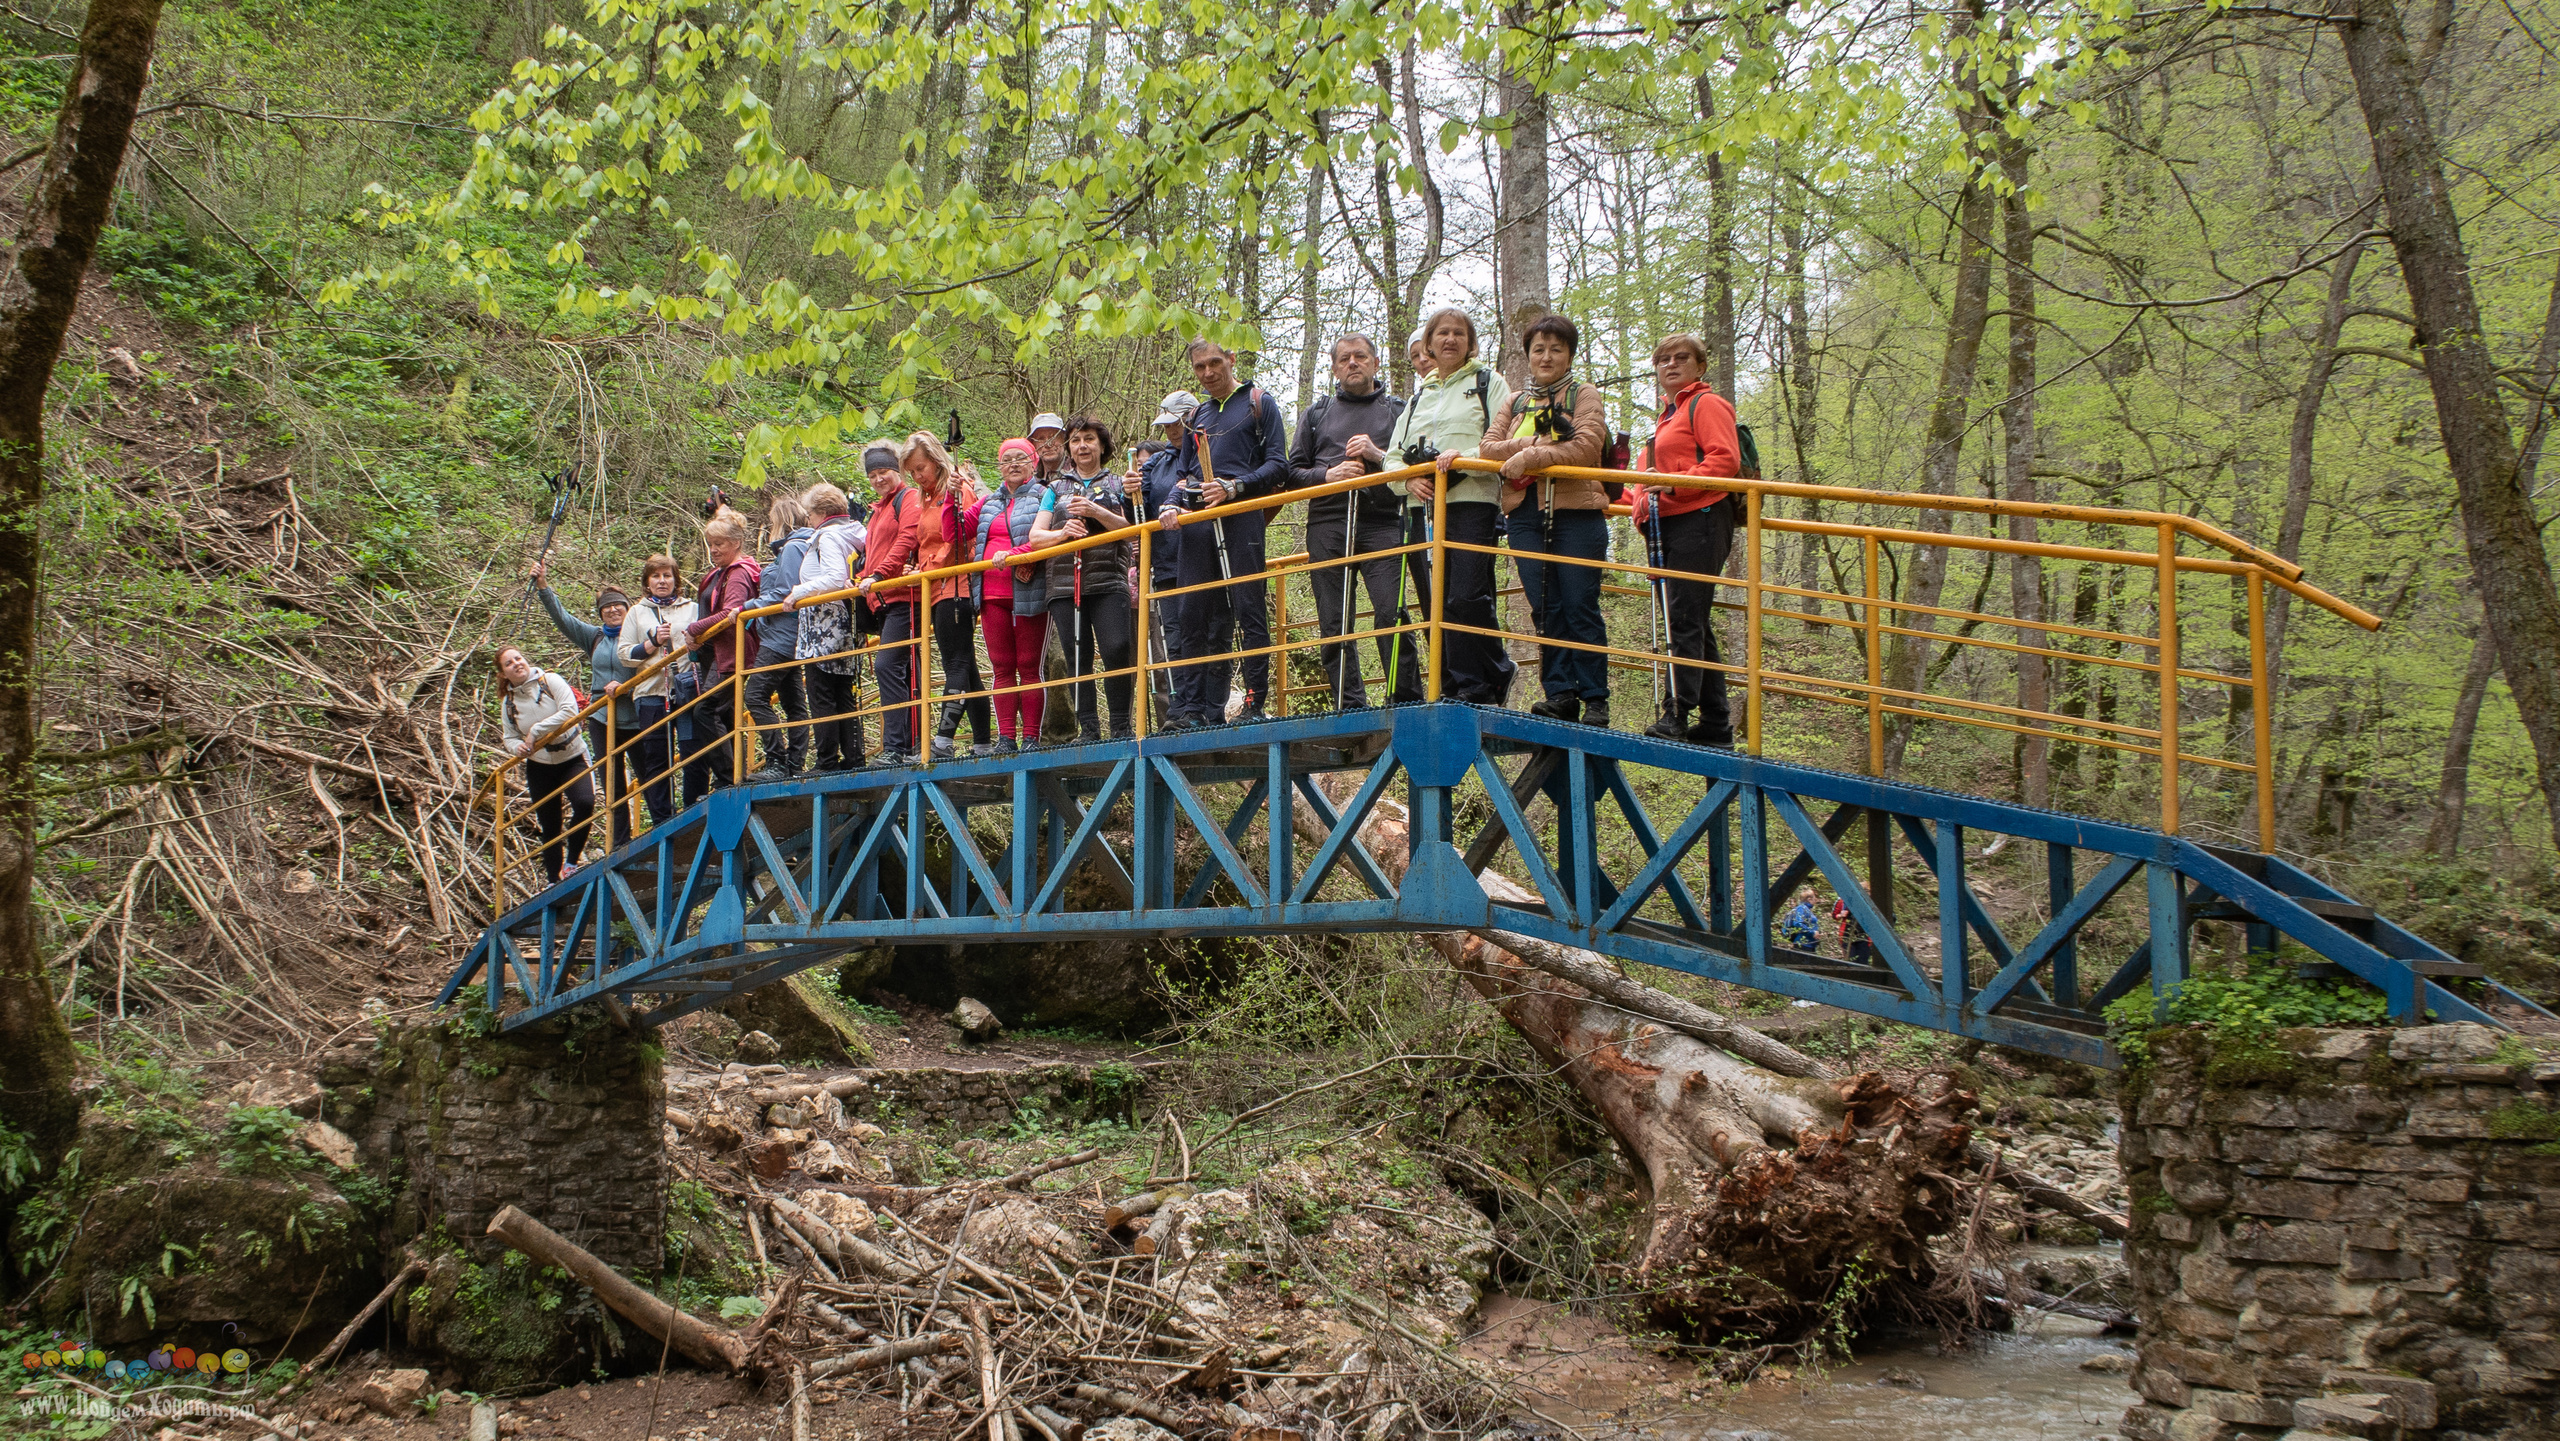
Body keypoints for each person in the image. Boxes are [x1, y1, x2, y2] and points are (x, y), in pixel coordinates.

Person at [1481, 314, 1611, 727]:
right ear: (1528, 355)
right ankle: (1560, 693)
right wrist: (1537, 443)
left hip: (1577, 515)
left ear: (1570, 354)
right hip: (1524, 515)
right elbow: (1489, 448)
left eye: (1556, 348)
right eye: (1539, 349)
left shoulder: (1583, 394)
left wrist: (1532, 457)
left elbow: (1588, 446)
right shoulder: (1516, 402)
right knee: (1544, 606)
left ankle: (1595, 699)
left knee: (1578, 604)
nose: (1547, 356)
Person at [1390, 307, 1515, 705]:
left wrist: (1465, 456)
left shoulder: (1488, 382)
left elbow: (1505, 440)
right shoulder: (1418, 398)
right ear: (1428, 343)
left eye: (1459, 333)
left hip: (1472, 502)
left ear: (1470, 342)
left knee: (1466, 595)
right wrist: (1407, 478)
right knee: (1437, 602)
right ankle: (1459, 685)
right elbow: (1392, 457)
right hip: (1424, 507)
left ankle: (1488, 674)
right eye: (1442, 333)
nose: (1450, 340)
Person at [1162, 341, 1289, 726]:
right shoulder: (1197, 416)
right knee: (1191, 613)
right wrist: (1171, 502)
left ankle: (1254, 703)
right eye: (1200, 367)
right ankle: (1192, 709)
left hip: (1242, 516)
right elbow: (1184, 475)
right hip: (1198, 523)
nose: (1208, 373)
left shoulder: (1258, 401)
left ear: (1232, 360)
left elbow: (1279, 465)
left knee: (1248, 607)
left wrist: (1235, 487)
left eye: (1214, 363)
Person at [1625, 333, 1741, 747]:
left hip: (1702, 517)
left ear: (1699, 366)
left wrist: (1673, 485)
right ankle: (1715, 719)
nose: (1671, 365)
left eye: (1681, 358)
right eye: (1663, 360)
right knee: (1691, 618)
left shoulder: (1705, 404)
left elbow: (1725, 459)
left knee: (1683, 618)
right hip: (1669, 524)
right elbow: (1641, 486)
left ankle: (1677, 710)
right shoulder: (1665, 418)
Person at [1290, 333, 1413, 709]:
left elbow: (1416, 467)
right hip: (1327, 521)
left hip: (1382, 519)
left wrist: (1377, 456)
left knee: (1390, 610)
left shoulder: (1398, 410)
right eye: (1344, 359)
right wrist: (1328, 475)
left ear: (1376, 363)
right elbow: (1292, 472)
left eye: (1360, 357)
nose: (1352, 364)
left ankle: (1403, 697)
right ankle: (1350, 703)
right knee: (1333, 617)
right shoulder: (1317, 414)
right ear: (1334, 368)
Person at [1031, 415, 1138, 741]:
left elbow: (1131, 531)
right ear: (1069, 448)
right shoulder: (1055, 489)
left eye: (1089, 439)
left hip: (1108, 580)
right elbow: (1036, 537)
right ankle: (1089, 729)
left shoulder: (1120, 484)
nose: (1082, 446)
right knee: (1076, 653)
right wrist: (1064, 532)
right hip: (1065, 584)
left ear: (1102, 445)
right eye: (1076, 440)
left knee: (1117, 648)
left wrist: (1096, 513)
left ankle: (1120, 726)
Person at [531, 564, 640, 846]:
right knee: (611, 779)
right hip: (602, 718)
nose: (613, 610)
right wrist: (544, 587)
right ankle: (620, 841)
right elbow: (563, 619)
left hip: (637, 716)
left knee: (649, 774)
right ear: (601, 612)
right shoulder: (594, 637)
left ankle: (663, 822)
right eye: (607, 607)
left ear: (628, 608)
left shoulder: (640, 635)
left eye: (619, 605)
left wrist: (626, 689)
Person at [899, 431, 990, 760]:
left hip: (957, 586)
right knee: (968, 671)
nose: (917, 476)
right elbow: (927, 542)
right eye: (911, 472)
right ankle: (982, 743)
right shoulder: (924, 498)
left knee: (957, 663)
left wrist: (930, 567)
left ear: (936, 462)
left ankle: (943, 741)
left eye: (920, 468)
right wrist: (918, 569)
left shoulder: (957, 490)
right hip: (934, 588)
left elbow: (959, 534)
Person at [972, 439, 1050, 753]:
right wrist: (951, 497)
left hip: (1029, 588)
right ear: (999, 467)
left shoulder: (1044, 495)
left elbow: (1050, 535)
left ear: (1033, 462)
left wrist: (1018, 555)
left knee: (1029, 664)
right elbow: (954, 530)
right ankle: (1006, 738)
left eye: (1021, 458)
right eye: (1007, 459)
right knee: (1002, 665)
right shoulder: (988, 502)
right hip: (991, 592)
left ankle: (1031, 736)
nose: (1014, 464)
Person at [496, 645, 597, 884]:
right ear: (502, 673)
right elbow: (509, 736)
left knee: (585, 803)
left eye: (518, 658)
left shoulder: (549, 680)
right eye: (509, 663)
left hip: (572, 755)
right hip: (540, 764)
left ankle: (572, 863)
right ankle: (553, 879)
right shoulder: (508, 703)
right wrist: (516, 748)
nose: (516, 664)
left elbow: (569, 710)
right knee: (549, 824)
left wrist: (536, 732)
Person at [681, 508, 763, 798]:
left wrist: (695, 628)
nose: (713, 550)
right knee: (724, 714)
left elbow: (731, 611)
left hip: (732, 652)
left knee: (707, 710)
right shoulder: (719, 573)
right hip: (716, 654)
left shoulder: (738, 573)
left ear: (736, 543)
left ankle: (730, 777)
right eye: (711, 544)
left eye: (720, 544)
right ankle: (732, 774)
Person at [787, 480, 868, 771]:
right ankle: (853, 757)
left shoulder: (828, 537)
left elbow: (834, 577)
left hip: (824, 624)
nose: (808, 520)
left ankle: (827, 760)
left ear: (821, 513)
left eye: (809, 514)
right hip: (847, 621)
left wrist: (797, 592)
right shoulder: (857, 532)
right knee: (843, 691)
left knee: (822, 694)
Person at [616, 554, 702, 824]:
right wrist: (651, 644)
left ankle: (693, 811)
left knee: (693, 752)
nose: (662, 581)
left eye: (667, 575)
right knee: (656, 759)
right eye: (656, 576)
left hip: (687, 690)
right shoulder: (637, 612)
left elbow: (707, 639)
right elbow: (624, 654)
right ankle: (662, 821)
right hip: (651, 694)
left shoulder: (692, 608)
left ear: (676, 579)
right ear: (647, 582)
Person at [1134, 391, 1196, 715]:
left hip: (1201, 558)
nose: (1172, 431)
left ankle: (1205, 706)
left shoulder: (1205, 453)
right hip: (1166, 563)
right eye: (1167, 425)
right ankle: (1180, 707)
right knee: (1173, 637)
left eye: (1177, 424)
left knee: (1203, 633)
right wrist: (1129, 491)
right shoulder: (1156, 463)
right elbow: (1140, 510)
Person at [744, 495, 814, 782]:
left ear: (780, 522)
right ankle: (794, 765)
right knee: (792, 701)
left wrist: (745, 609)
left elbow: (786, 590)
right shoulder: (797, 547)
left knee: (755, 695)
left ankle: (778, 761)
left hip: (782, 637)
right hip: (785, 635)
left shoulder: (793, 548)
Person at [1779, 886, 1823, 954]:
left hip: (1810, 944)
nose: (1816, 899)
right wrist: (1812, 932)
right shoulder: (1801, 908)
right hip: (1803, 944)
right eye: (1815, 897)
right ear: (1809, 899)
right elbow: (1797, 923)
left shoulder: (1807, 909)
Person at [1028, 412, 1068, 483]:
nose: (1048, 444)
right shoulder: (1029, 479)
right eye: (1041, 439)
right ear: (1033, 445)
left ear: (1064, 440)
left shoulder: (1078, 473)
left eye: (1053, 437)